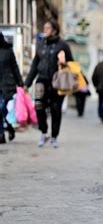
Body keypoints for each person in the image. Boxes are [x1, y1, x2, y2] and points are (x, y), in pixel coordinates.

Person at [25, 20, 74, 148]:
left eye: (47, 28)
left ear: (54, 30)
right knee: (39, 107)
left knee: (55, 109)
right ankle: (44, 132)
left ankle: (54, 137)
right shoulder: (40, 44)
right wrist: (27, 83)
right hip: (41, 80)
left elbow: (71, 63)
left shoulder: (63, 45)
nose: (45, 30)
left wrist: (63, 63)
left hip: (57, 81)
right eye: (44, 28)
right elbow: (35, 65)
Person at [0, 32, 23, 143]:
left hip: (7, 85)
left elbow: (14, 67)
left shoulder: (8, 51)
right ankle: (1, 134)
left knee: (3, 109)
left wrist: (20, 82)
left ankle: (9, 126)